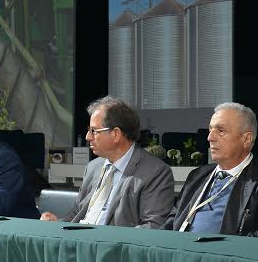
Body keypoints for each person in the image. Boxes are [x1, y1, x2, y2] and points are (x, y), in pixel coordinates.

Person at [43, 96, 173, 228]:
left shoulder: (155, 173)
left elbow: (152, 226)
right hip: (80, 242)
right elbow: (78, 213)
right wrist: (56, 223)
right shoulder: (93, 167)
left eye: (93, 131)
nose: (88, 137)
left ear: (116, 134)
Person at [165, 103, 258, 236]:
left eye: (221, 131)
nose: (210, 138)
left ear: (246, 139)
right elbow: (171, 222)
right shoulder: (197, 176)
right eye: (210, 130)